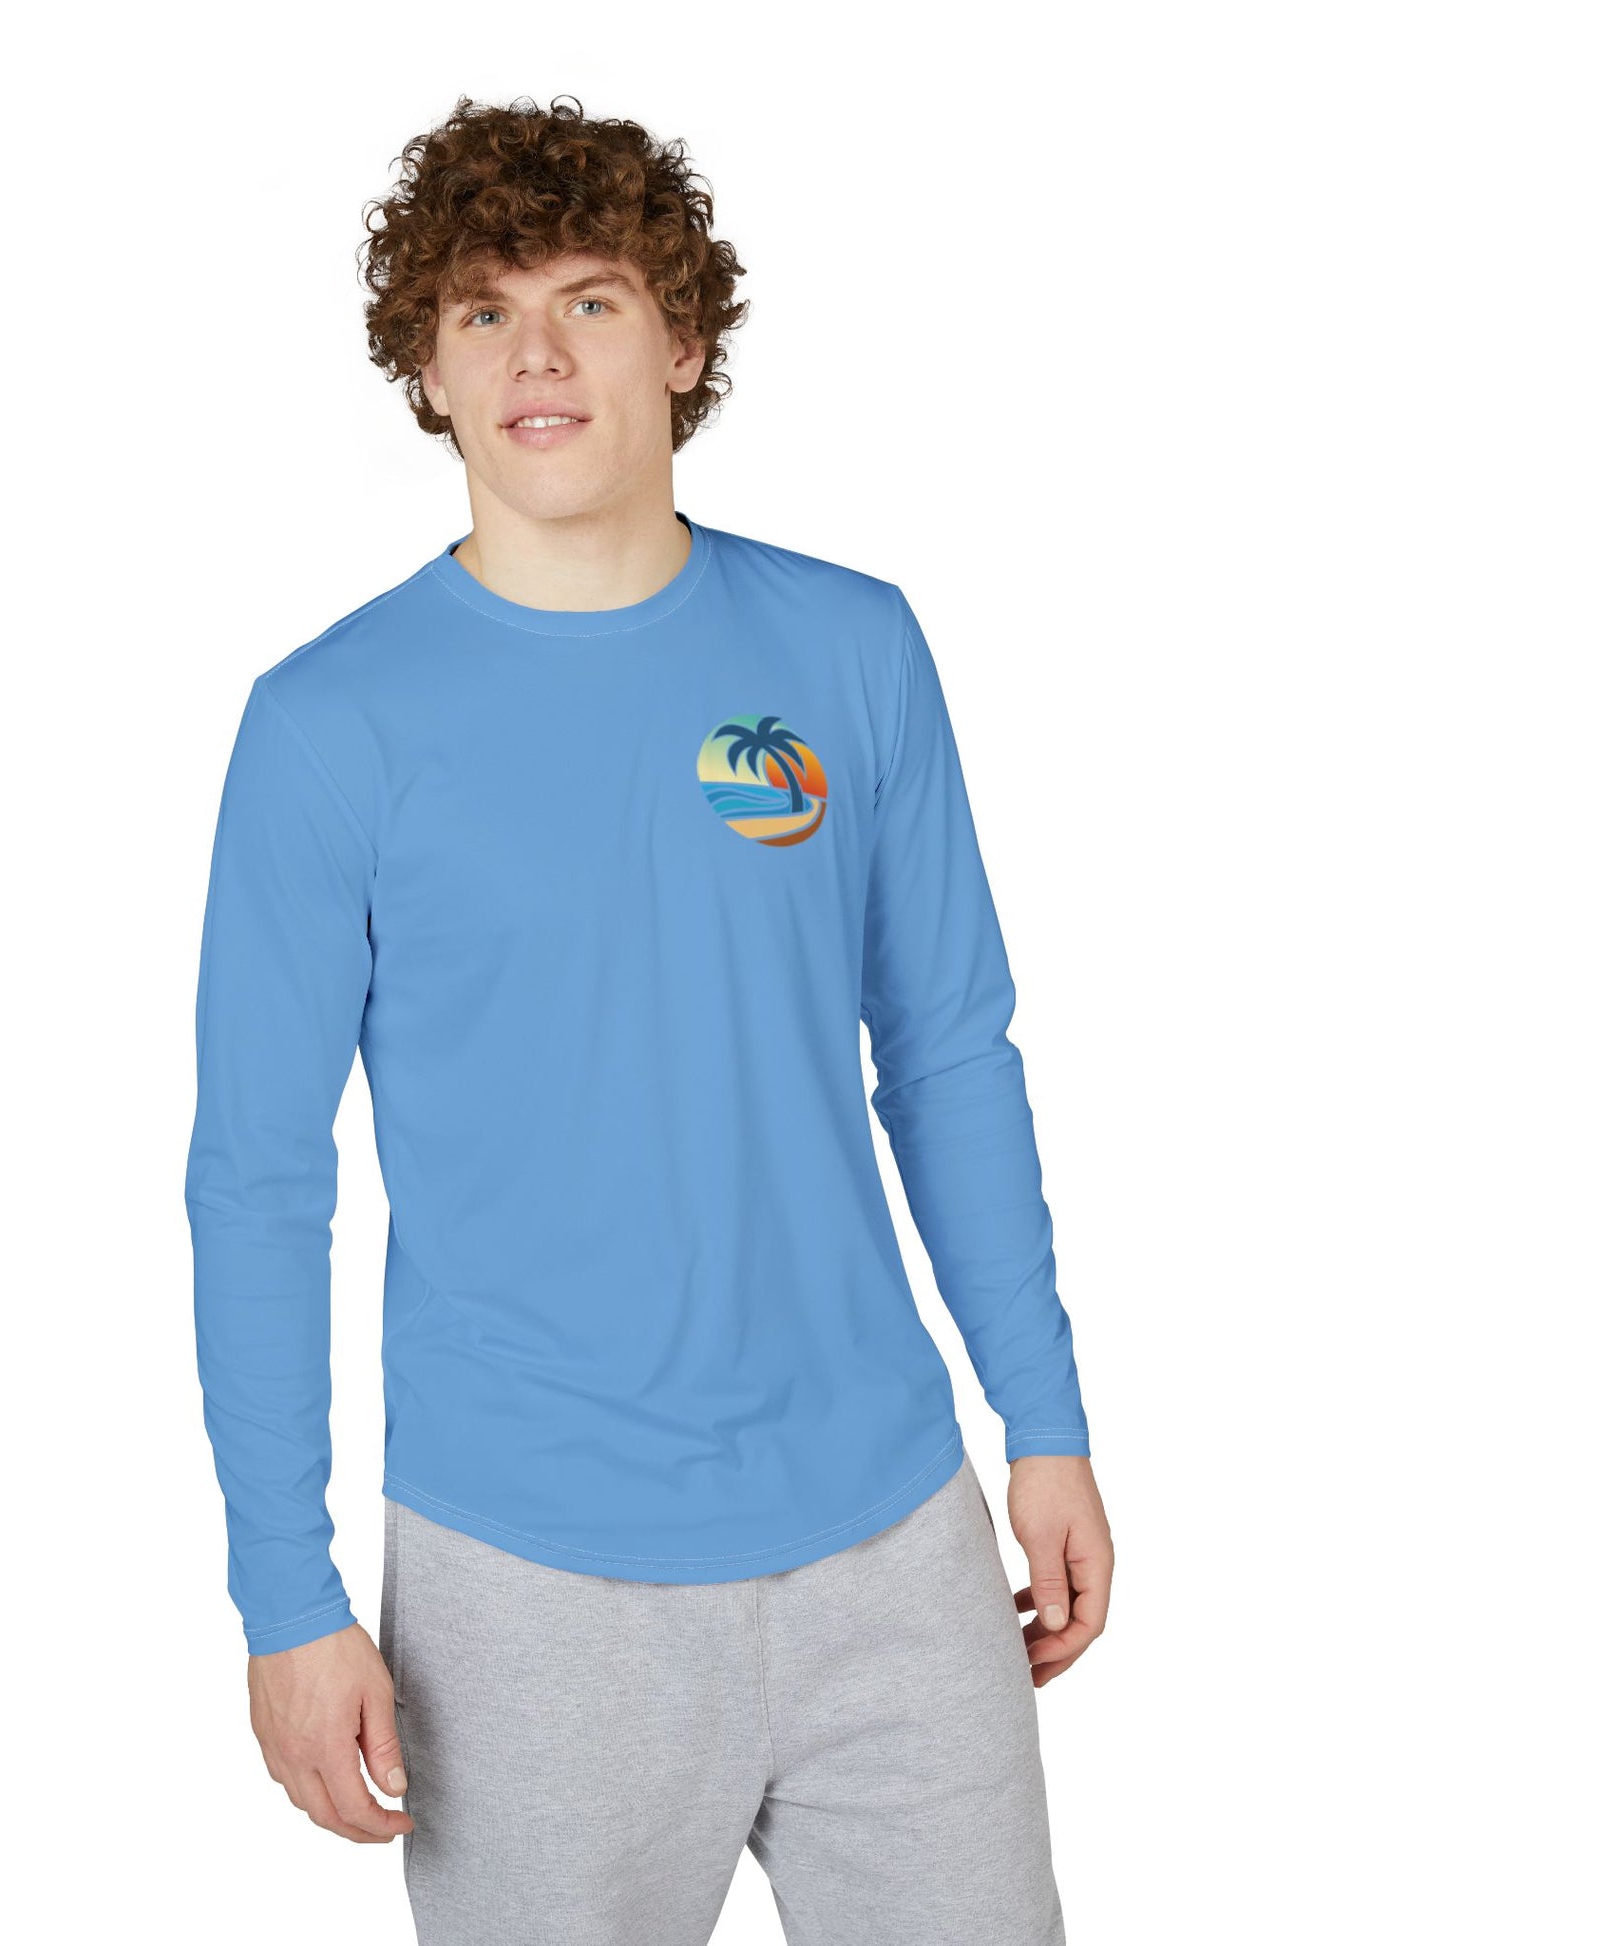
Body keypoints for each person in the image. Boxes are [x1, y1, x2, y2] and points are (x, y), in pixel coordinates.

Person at [185, 92, 1113, 1945]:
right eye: (481, 312)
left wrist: (1045, 1411)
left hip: (889, 1534)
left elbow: (946, 1046)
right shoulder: (325, 727)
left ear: (682, 342)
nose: (534, 355)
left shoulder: (851, 646)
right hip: (529, 1581)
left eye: (590, 302)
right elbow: (260, 1182)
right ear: (427, 371)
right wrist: (285, 1592)